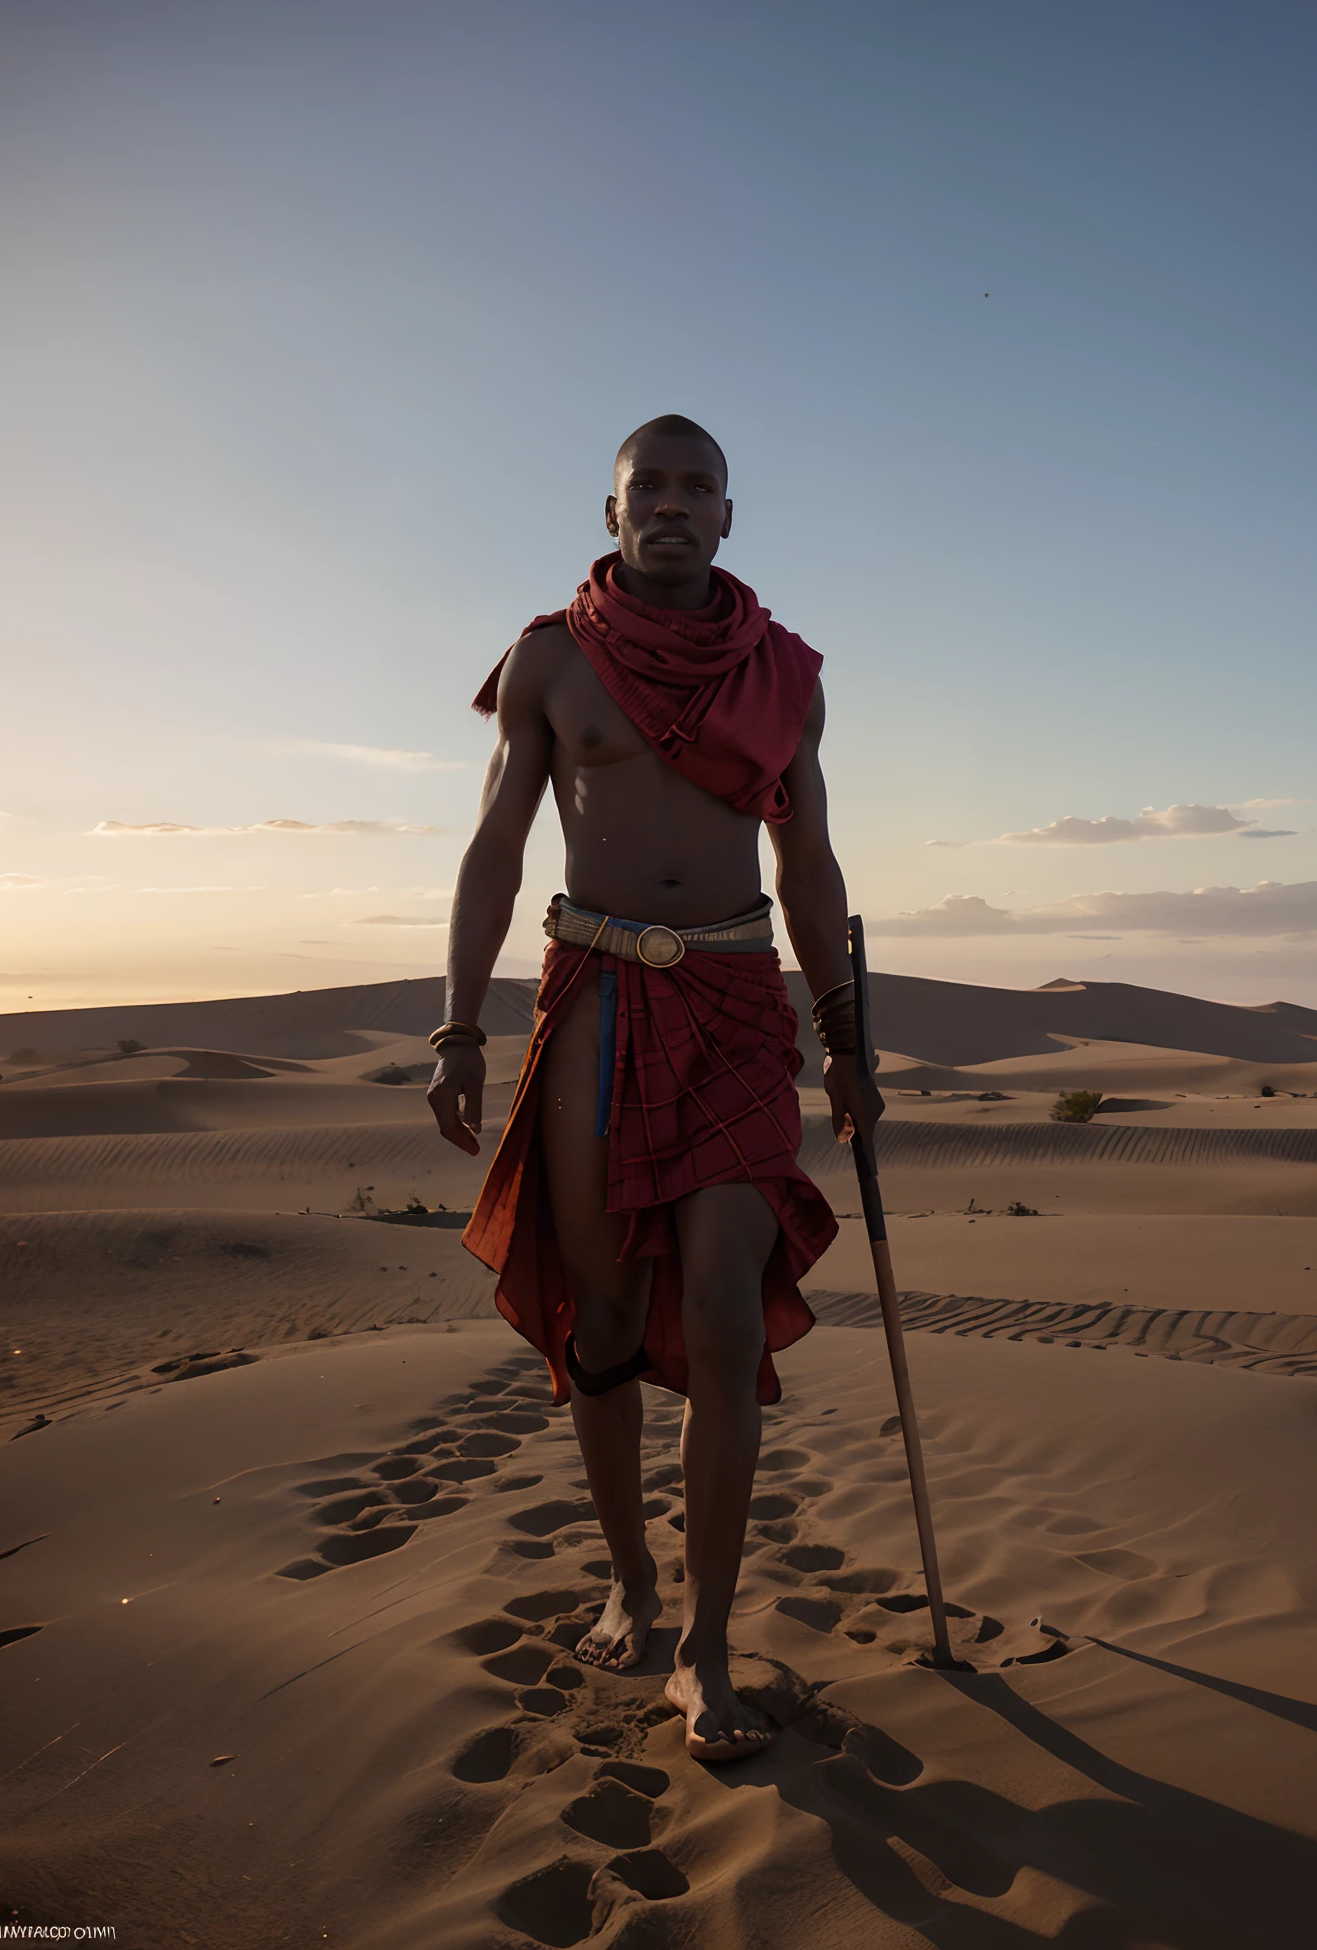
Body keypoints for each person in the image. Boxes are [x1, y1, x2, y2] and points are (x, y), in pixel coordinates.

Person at [428, 414, 880, 1763]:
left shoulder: (785, 677)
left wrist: (842, 1028)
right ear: (613, 509)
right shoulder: (552, 661)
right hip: (600, 998)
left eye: (698, 489)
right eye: (650, 488)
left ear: (729, 518)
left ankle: (707, 1647)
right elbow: (496, 850)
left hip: (739, 1003)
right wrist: (458, 1029)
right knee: (609, 1315)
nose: (673, 506)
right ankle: (633, 1585)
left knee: (729, 1321)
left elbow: (809, 865)